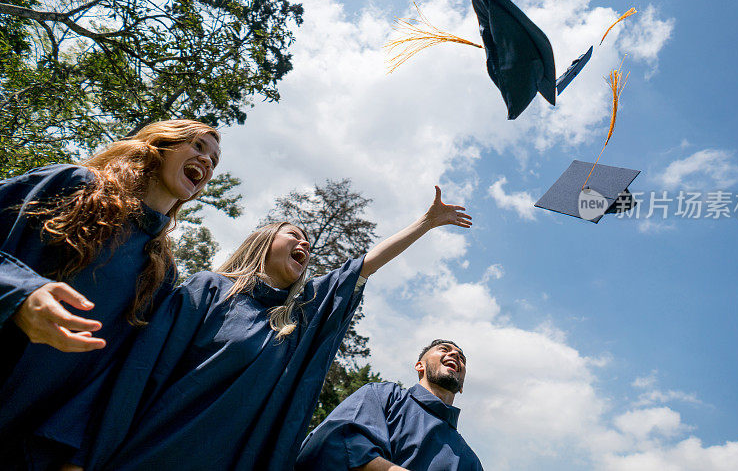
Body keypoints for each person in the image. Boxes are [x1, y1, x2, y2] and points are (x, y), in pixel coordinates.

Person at [75, 186, 471, 471]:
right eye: (294, 235)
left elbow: (361, 267)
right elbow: (139, 370)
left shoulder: (297, 323)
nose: (305, 244)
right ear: (264, 241)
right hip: (158, 447)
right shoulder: (209, 291)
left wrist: (424, 224)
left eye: (309, 243)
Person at [0, 120, 220, 469]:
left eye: (214, 160)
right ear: (159, 145)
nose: (207, 161)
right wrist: (17, 292)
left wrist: (72, 455)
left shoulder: (161, 272)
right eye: (198, 146)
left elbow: (113, 371)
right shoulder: (73, 184)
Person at [296, 339, 484, 471]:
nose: (455, 354)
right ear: (420, 366)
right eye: (444, 349)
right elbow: (334, 442)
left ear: (461, 386)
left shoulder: (470, 461)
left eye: (462, 358)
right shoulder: (384, 395)